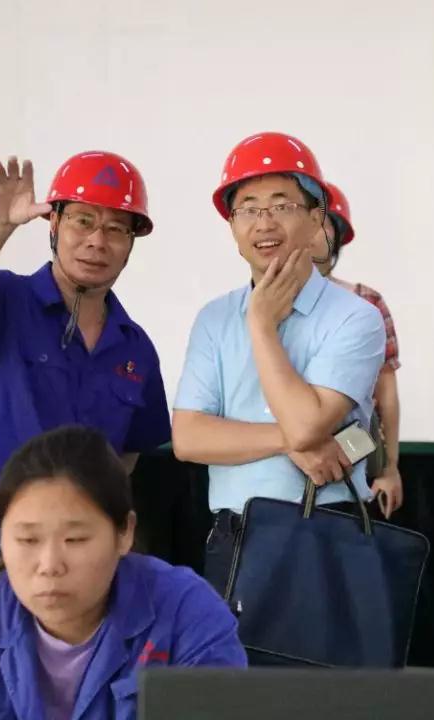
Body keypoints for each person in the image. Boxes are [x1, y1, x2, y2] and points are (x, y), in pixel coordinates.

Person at [0, 425, 246, 719]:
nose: (50, 565)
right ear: (1, 539)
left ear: (124, 533)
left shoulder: (185, 614)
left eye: (75, 539)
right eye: (27, 539)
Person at [0, 152, 171, 582]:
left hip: (80, 560)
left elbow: (127, 456)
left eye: (116, 229)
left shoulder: (135, 348)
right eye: (83, 221)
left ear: (131, 243)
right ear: (54, 224)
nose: (97, 241)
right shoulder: (7, 300)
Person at [171, 132, 386, 596]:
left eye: (281, 206)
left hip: (327, 532)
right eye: (247, 209)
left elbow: (307, 426)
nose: (263, 223)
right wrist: (289, 442)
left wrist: (261, 325)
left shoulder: (356, 317)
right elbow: (188, 438)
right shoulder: (213, 318)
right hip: (236, 536)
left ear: (316, 219)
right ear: (232, 227)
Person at [311, 181, 403, 517]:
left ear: (337, 235)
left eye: (322, 223)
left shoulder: (366, 301)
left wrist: (389, 469)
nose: (311, 233)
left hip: (355, 441)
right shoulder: (262, 306)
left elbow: (386, 395)